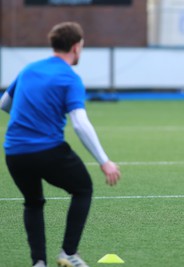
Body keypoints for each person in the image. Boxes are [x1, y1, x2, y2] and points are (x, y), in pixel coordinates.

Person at [0, 22, 121, 267]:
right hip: (47, 150)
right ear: (76, 47)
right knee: (83, 188)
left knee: (33, 203)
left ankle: (38, 262)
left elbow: (4, 104)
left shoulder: (29, 69)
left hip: (14, 152)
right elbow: (79, 123)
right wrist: (104, 161)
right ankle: (68, 253)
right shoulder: (70, 78)